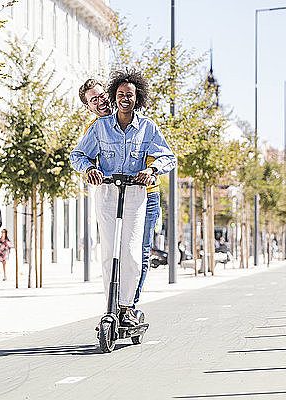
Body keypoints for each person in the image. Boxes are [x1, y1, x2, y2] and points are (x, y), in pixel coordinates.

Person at [71, 69, 176, 326]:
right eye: (120, 94)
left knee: (133, 252)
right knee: (110, 252)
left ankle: (127, 306)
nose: (122, 99)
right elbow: (79, 155)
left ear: (136, 97)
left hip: (141, 193)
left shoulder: (147, 127)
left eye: (129, 94)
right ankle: (112, 306)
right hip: (109, 192)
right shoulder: (98, 127)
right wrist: (90, 169)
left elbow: (168, 156)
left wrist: (151, 170)